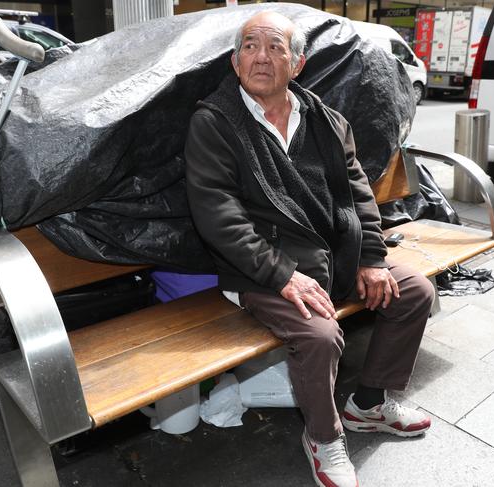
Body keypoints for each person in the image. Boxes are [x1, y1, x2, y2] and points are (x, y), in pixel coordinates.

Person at [185, 11, 434, 487]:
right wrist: (282, 274)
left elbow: (358, 193)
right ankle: (323, 436)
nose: (262, 56)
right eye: (250, 46)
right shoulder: (214, 122)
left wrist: (371, 259)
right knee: (320, 337)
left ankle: (368, 405)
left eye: (275, 47)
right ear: (235, 62)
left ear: (296, 64)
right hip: (261, 268)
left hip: (332, 256)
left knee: (414, 291)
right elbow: (219, 218)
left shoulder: (325, 119)